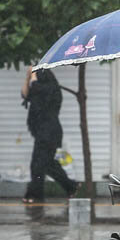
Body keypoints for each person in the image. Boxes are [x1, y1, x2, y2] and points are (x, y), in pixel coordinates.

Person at [22, 68, 78, 202]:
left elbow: (35, 87)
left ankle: (35, 194)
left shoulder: (51, 88)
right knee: (48, 164)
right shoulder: (38, 90)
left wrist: (33, 75)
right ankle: (71, 187)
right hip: (42, 131)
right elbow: (25, 94)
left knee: (37, 164)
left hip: (49, 132)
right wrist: (27, 77)